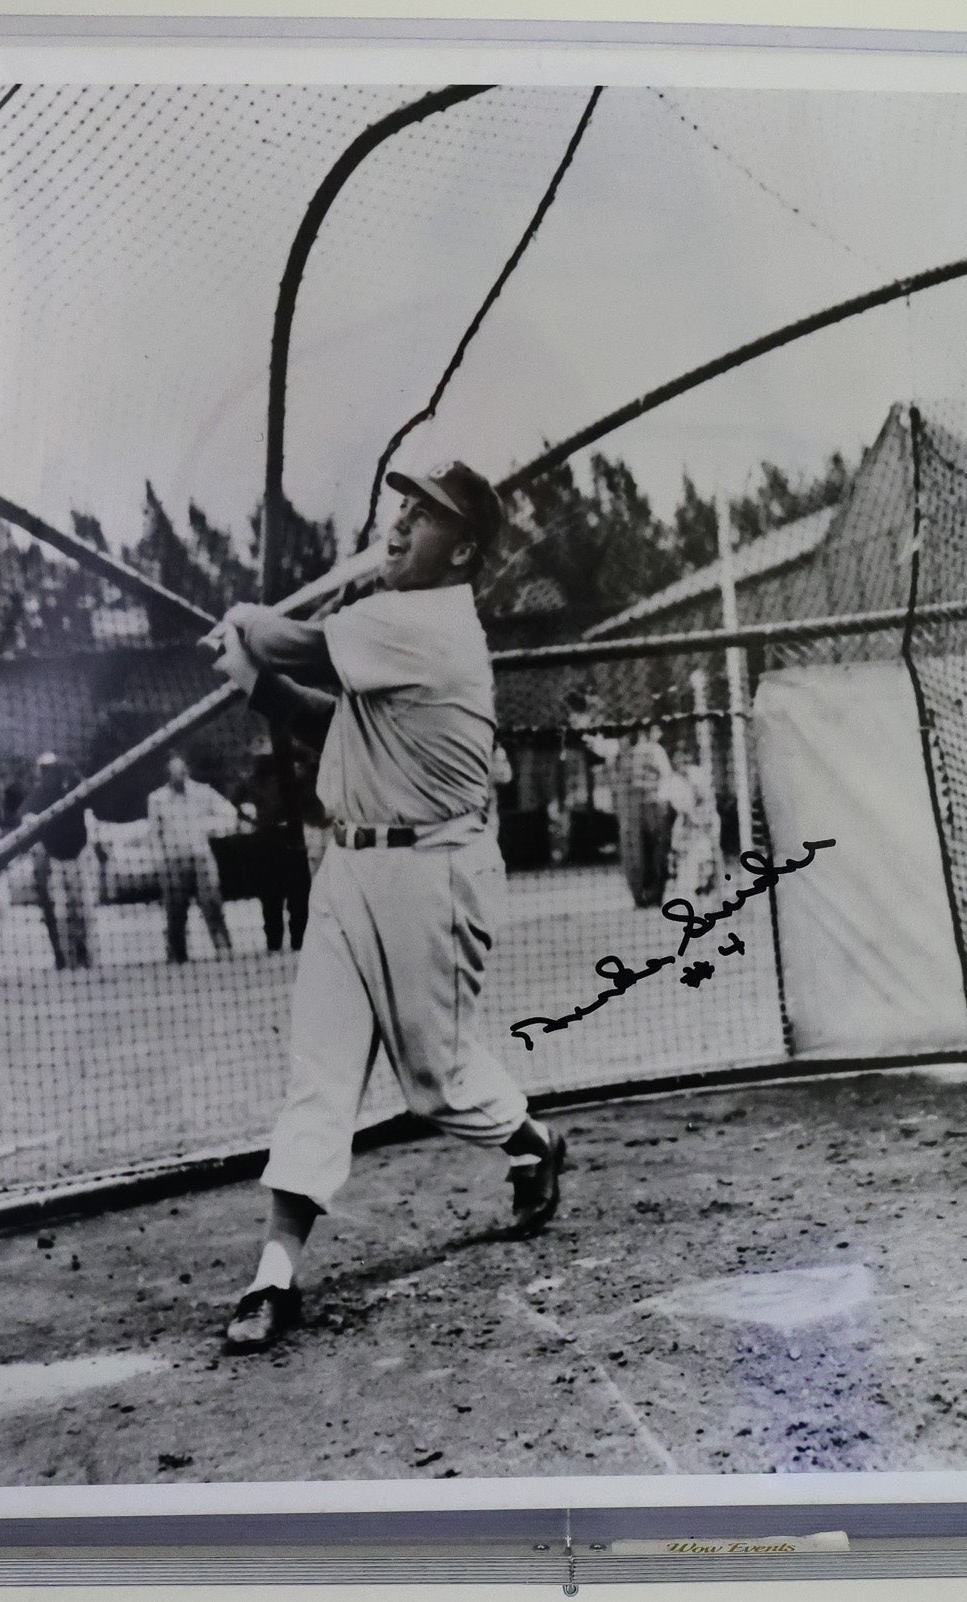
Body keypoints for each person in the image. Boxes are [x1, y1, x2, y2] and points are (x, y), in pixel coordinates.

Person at [201, 460, 567, 1355]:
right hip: (350, 867)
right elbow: (329, 721)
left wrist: (250, 626)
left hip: (434, 874)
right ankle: (274, 1277)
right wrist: (249, 679)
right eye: (399, 512)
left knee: (438, 1082)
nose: (399, 529)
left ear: (466, 550)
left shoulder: (428, 624)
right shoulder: (395, 627)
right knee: (320, 1076)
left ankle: (533, 1141)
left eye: (423, 519)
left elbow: (302, 647)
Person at [146, 749, 237, 962]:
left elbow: (229, 813)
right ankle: (177, 954)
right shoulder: (157, 799)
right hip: (173, 861)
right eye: (174, 772)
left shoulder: (203, 792)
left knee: (212, 903)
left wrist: (214, 828)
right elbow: (154, 834)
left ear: (187, 770)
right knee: (175, 911)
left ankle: (223, 948)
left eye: (182, 771)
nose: (179, 775)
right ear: (168, 773)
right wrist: (159, 861)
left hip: (201, 857)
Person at [20, 751, 95, 970]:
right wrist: (30, 821)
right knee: (62, 914)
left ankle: (86, 957)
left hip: (79, 855)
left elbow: (89, 798)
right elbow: (26, 815)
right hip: (56, 860)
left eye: (50, 769)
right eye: (44, 769)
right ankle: (67, 960)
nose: (47, 773)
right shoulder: (40, 793)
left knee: (83, 911)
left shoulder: (72, 787)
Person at [237, 743, 314, 954]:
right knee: (271, 897)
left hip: (291, 839)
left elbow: (309, 795)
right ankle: (274, 942)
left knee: (298, 895)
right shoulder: (252, 782)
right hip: (266, 842)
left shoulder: (291, 778)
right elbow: (235, 803)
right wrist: (250, 818)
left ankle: (299, 941)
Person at [611, 724, 674, 907]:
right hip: (636, 809)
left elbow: (666, 776)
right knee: (637, 853)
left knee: (655, 851)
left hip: (651, 806)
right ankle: (641, 895)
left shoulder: (653, 750)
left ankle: (652, 895)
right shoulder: (623, 752)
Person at [662, 744, 725, 909]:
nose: (682, 762)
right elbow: (681, 809)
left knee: (710, 858)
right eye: (678, 759)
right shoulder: (673, 781)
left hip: (707, 820)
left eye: (685, 758)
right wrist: (693, 820)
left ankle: (716, 896)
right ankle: (690, 899)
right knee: (687, 862)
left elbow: (707, 797)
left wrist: (706, 819)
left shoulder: (698, 773)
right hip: (687, 826)